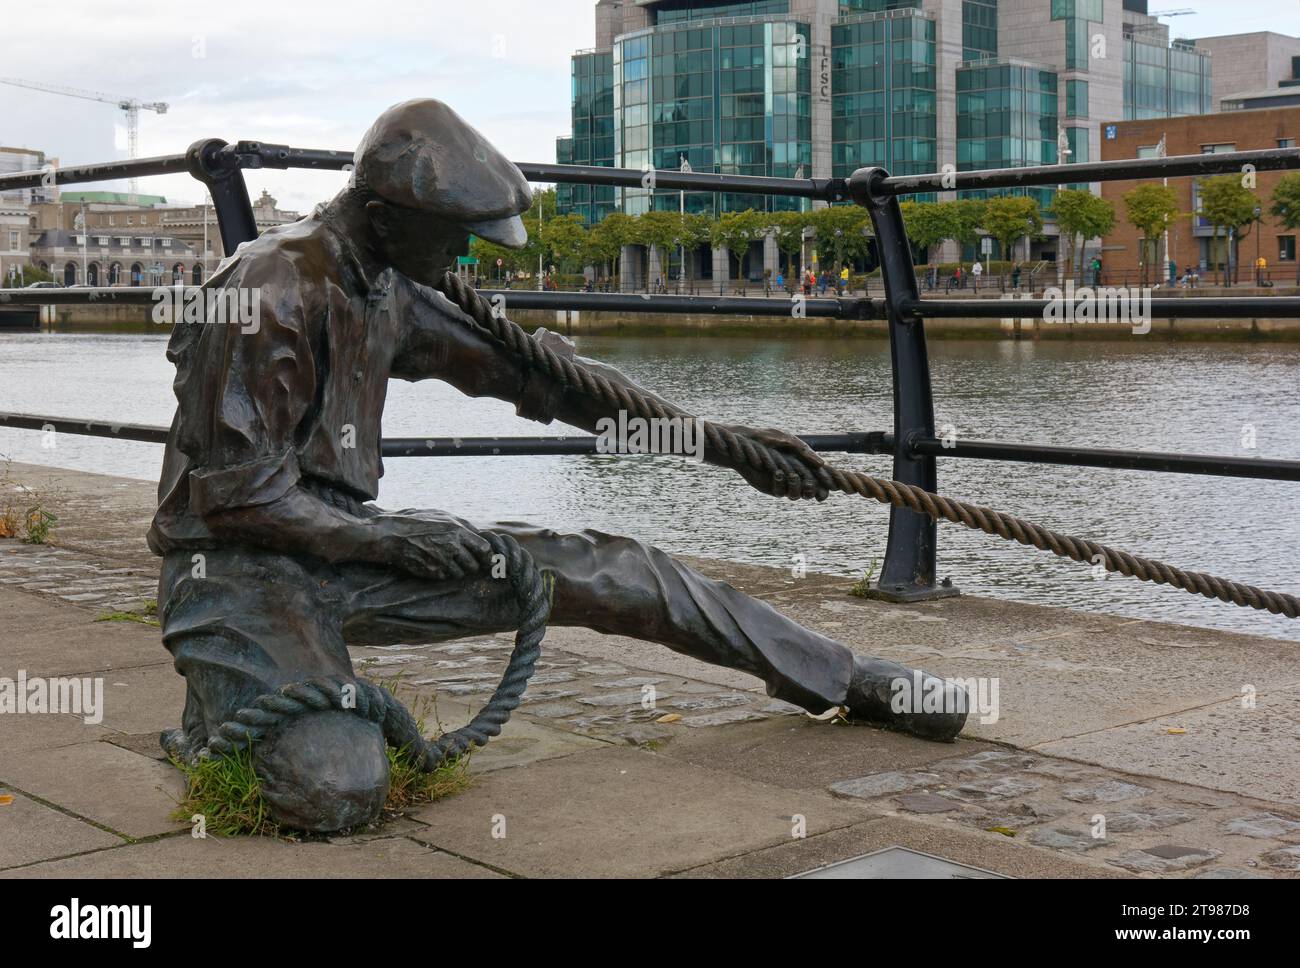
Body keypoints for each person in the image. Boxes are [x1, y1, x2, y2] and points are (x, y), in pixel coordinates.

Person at [149, 98, 967, 832]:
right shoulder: (268, 289)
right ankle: (223, 714)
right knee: (338, 789)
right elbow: (237, 505)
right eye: (453, 235)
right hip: (236, 570)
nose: (466, 254)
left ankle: (841, 676)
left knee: (622, 570)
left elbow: (551, 383)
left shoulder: (391, 285)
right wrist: (397, 543)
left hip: (348, 546)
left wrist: (727, 444)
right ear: (380, 215)